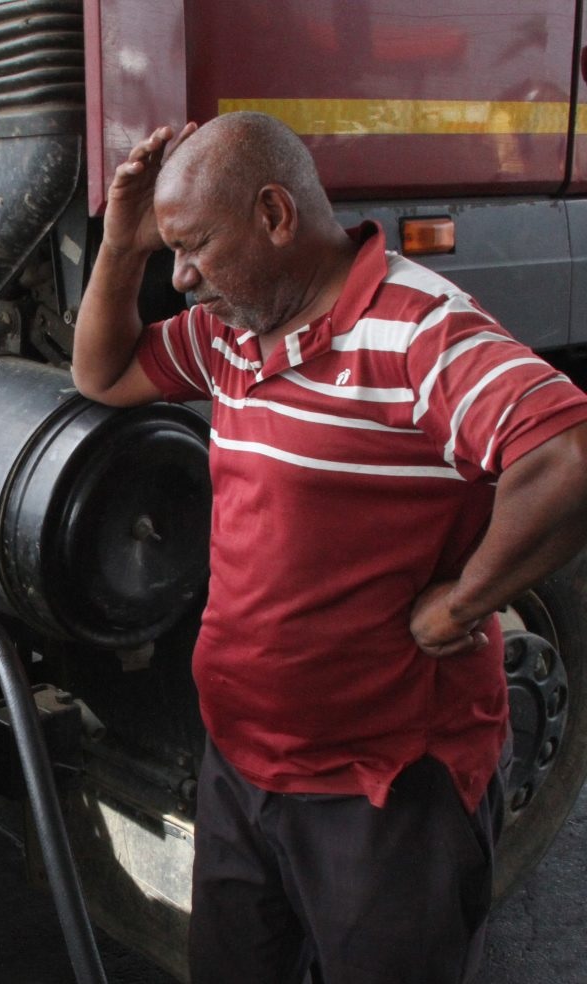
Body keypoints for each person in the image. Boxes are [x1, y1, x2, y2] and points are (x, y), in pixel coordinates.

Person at [71, 111, 587, 984]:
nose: (184, 278)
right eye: (173, 254)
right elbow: (103, 373)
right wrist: (123, 247)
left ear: (275, 215)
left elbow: (566, 454)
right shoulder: (235, 335)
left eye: (194, 247)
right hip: (241, 766)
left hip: (383, 791)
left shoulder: (415, 331)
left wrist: (464, 605)